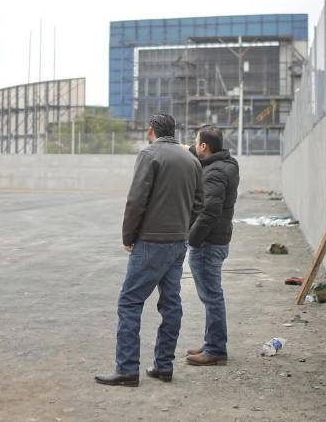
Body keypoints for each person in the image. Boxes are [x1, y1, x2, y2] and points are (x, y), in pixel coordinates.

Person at [95, 113, 203, 387]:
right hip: (177, 243)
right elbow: (199, 204)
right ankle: (164, 366)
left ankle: (127, 369)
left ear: (151, 130)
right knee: (171, 304)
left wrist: (128, 236)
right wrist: (182, 228)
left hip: (151, 242)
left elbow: (136, 200)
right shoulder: (191, 160)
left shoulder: (150, 155)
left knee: (130, 302)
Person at [184, 125, 239, 366]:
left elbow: (209, 212)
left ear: (204, 146)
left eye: (197, 142)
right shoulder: (227, 164)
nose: (194, 146)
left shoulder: (213, 173)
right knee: (212, 295)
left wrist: (192, 239)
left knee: (212, 297)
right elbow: (196, 152)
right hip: (219, 238)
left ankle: (215, 350)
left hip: (208, 243)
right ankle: (211, 343)